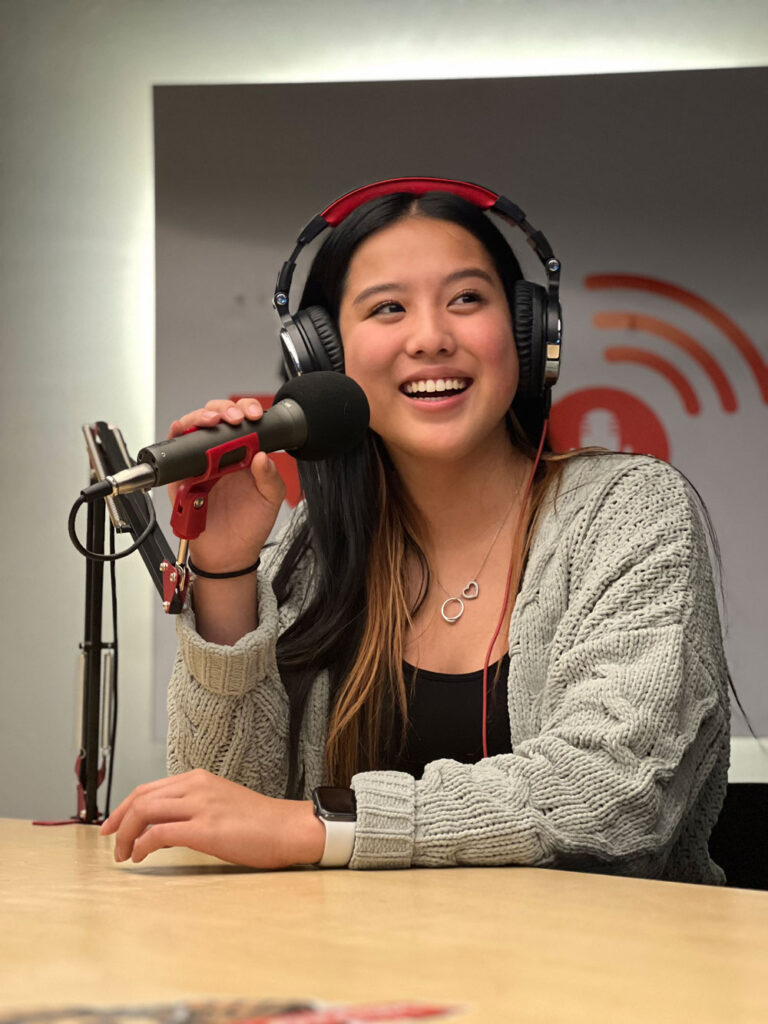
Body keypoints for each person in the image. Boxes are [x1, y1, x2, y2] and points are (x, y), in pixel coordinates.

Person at [101, 181, 730, 882]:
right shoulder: (314, 551)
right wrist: (225, 571)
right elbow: (221, 810)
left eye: (466, 299)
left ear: (529, 333)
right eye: (388, 308)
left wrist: (324, 825)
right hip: (354, 976)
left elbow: (611, 791)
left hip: (593, 978)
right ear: (325, 358)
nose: (431, 337)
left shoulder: (630, 512)